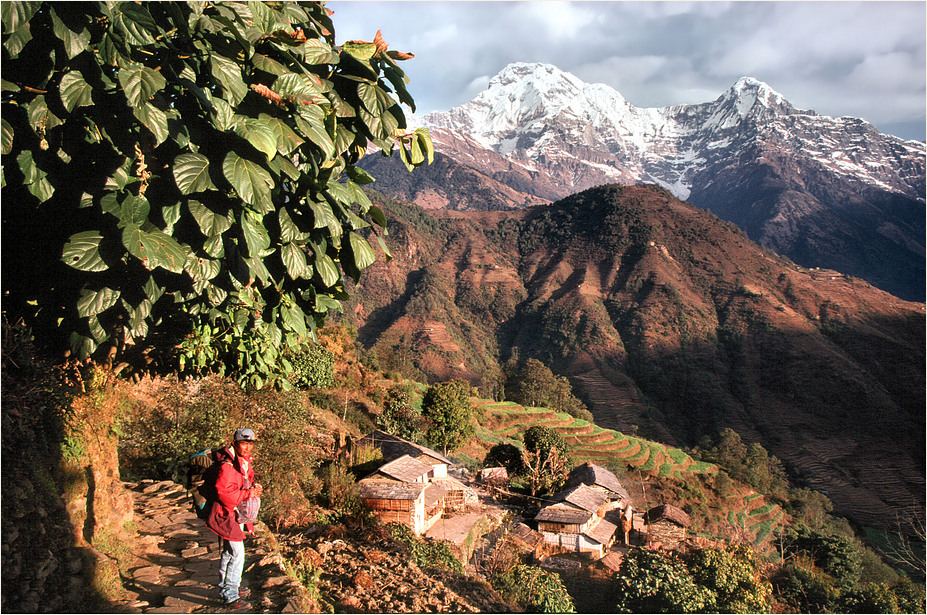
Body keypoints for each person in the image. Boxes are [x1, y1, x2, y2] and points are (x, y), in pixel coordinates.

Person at [205, 428, 263, 608]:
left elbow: (244, 481)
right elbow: (224, 494)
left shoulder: (241, 462)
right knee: (238, 554)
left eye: (250, 444)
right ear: (235, 443)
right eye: (243, 443)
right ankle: (230, 595)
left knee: (229, 552)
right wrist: (248, 494)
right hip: (224, 514)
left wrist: (253, 487)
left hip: (231, 514)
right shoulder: (226, 466)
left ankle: (227, 587)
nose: (247, 447)